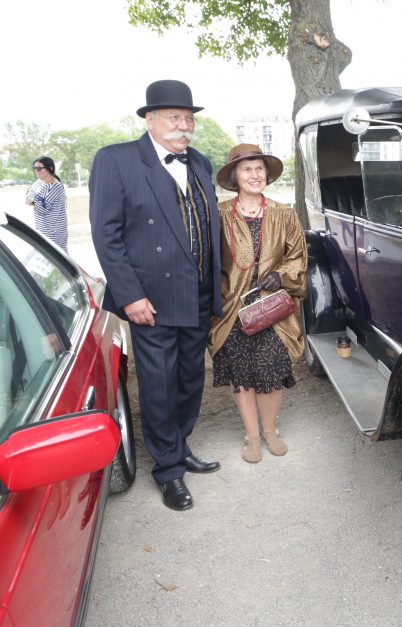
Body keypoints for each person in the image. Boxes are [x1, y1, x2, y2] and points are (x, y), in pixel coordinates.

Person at [89, 80, 222, 511]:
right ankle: (167, 471)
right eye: (174, 118)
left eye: (189, 119)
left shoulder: (199, 161)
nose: (184, 127)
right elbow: (106, 236)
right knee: (159, 385)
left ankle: (178, 447)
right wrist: (129, 296)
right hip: (152, 300)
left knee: (190, 380)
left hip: (199, 295)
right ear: (150, 120)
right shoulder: (117, 160)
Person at [208, 145, 307, 463]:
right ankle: (251, 437)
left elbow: (298, 258)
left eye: (259, 168)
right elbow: (206, 262)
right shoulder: (219, 214)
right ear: (234, 176)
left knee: (271, 371)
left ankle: (270, 431)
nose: (254, 174)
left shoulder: (284, 213)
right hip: (232, 309)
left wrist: (281, 275)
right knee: (241, 375)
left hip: (272, 310)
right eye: (246, 169)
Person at [25, 156, 68, 251]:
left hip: (53, 233)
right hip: (44, 231)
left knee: (56, 261)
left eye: (39, 168)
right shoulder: (40, 183)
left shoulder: (54, 186)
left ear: (50, 168)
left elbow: (41, 209)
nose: (36, 171)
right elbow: (28, 199)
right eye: (35, 168)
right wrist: (33, 200)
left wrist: (32, 199)